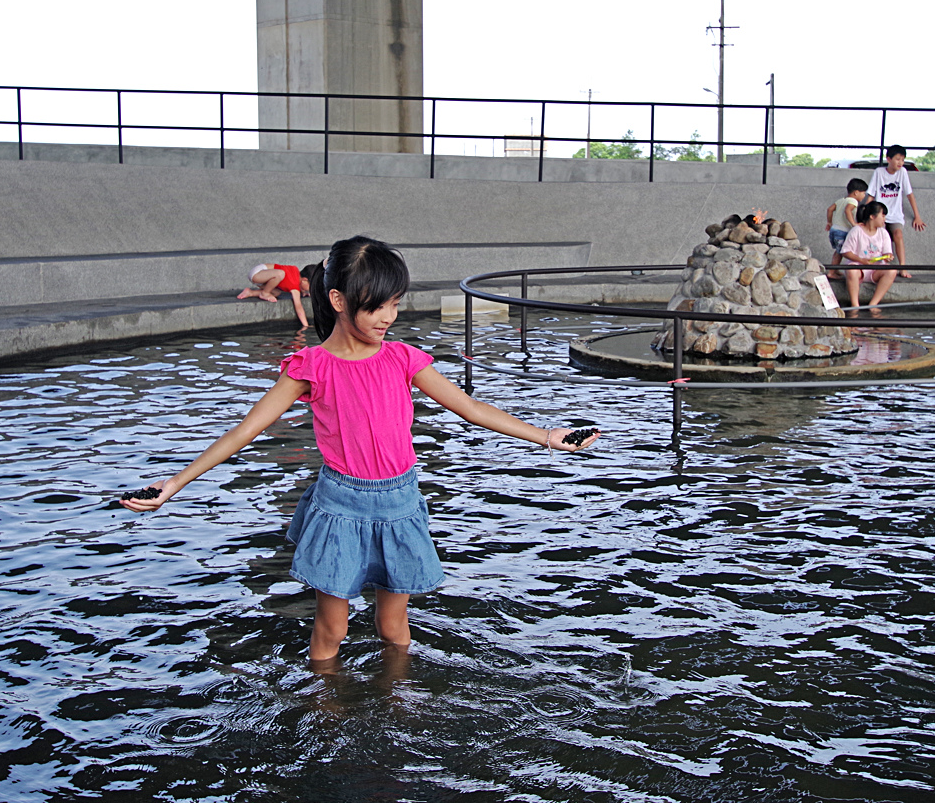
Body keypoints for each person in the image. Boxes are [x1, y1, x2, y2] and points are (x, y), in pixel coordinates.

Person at [123, 236, 599, 663]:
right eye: (377, 307)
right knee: (332, 629)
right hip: (340, 504)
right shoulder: (309, 366)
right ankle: (327, 712)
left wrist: (546, 436)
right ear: (338, 300)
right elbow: (245, 431)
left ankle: (398, 704)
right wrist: (174, 484)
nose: (389, 317)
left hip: (400, 502)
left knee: (394, 626)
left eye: (394, 304)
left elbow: (470, 408)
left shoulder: (402, 358)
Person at [865, 145, 927, 276]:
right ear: (888, 159)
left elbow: (909, 194)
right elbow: (871, 194)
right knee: (880, 238)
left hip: (896, 214)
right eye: (898, 159)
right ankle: (881, 267)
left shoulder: (902, 172)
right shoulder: (879, 172)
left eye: (903, 159)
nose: (900, 162)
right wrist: (864, 216)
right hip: (879, 214)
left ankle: (902, 267)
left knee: (898, 234)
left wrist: (917, 216)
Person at [840, 201, 898, 312]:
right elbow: (846, 251)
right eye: (882, 216)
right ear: (872, 216)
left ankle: (873, 304)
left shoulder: (883, 233)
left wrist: (887, 257)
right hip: (859, 268)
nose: (884, 219)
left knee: (892, 271)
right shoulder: (856, 231)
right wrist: (861, 260)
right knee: (852, 270)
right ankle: (855, 305)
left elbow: (887, 253)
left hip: (876, 269)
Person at [238, 262, 322, 329]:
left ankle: (250, 292)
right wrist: (305, 325)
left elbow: (297, 285)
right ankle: (265, 293)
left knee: (276, 293)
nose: (310, 289)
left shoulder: (295, 274)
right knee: (280, 273)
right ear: (304, 280)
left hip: (261, 274)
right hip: (258, 274)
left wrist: (303, 290)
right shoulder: (294, 286)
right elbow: (299, 307)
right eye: (310, 286)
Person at [826, 178, 869, 265]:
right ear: (856, 192)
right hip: (842, 231)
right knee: (842, 252)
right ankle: (832, 272)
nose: (864, 195)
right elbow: (848, 210)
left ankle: (835, 269)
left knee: (838, 251)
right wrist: (854, 223)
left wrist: (829, 222)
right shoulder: (853, 201)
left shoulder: (841, 200)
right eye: (863, 193)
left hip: (834, 229)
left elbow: (829, 209)